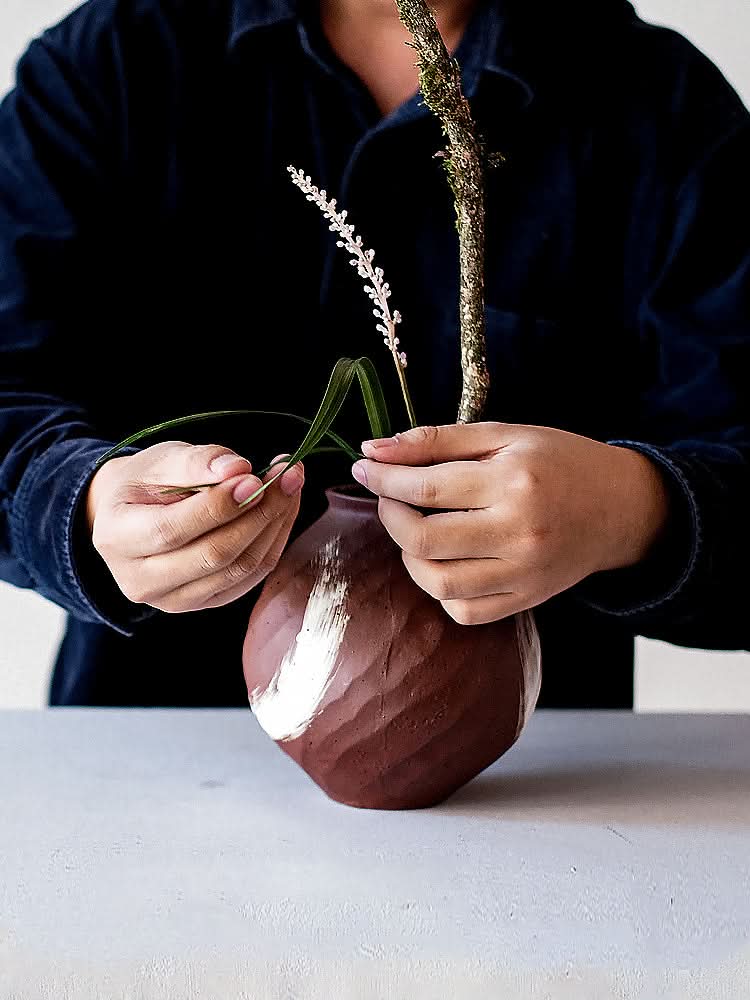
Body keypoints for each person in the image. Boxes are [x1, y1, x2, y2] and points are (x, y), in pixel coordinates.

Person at [0, 0, 747, 708]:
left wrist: (634, 509)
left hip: (540, 784)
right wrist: (87, 501)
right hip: (140, 758)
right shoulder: (109, 69)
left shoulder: (660, 104)